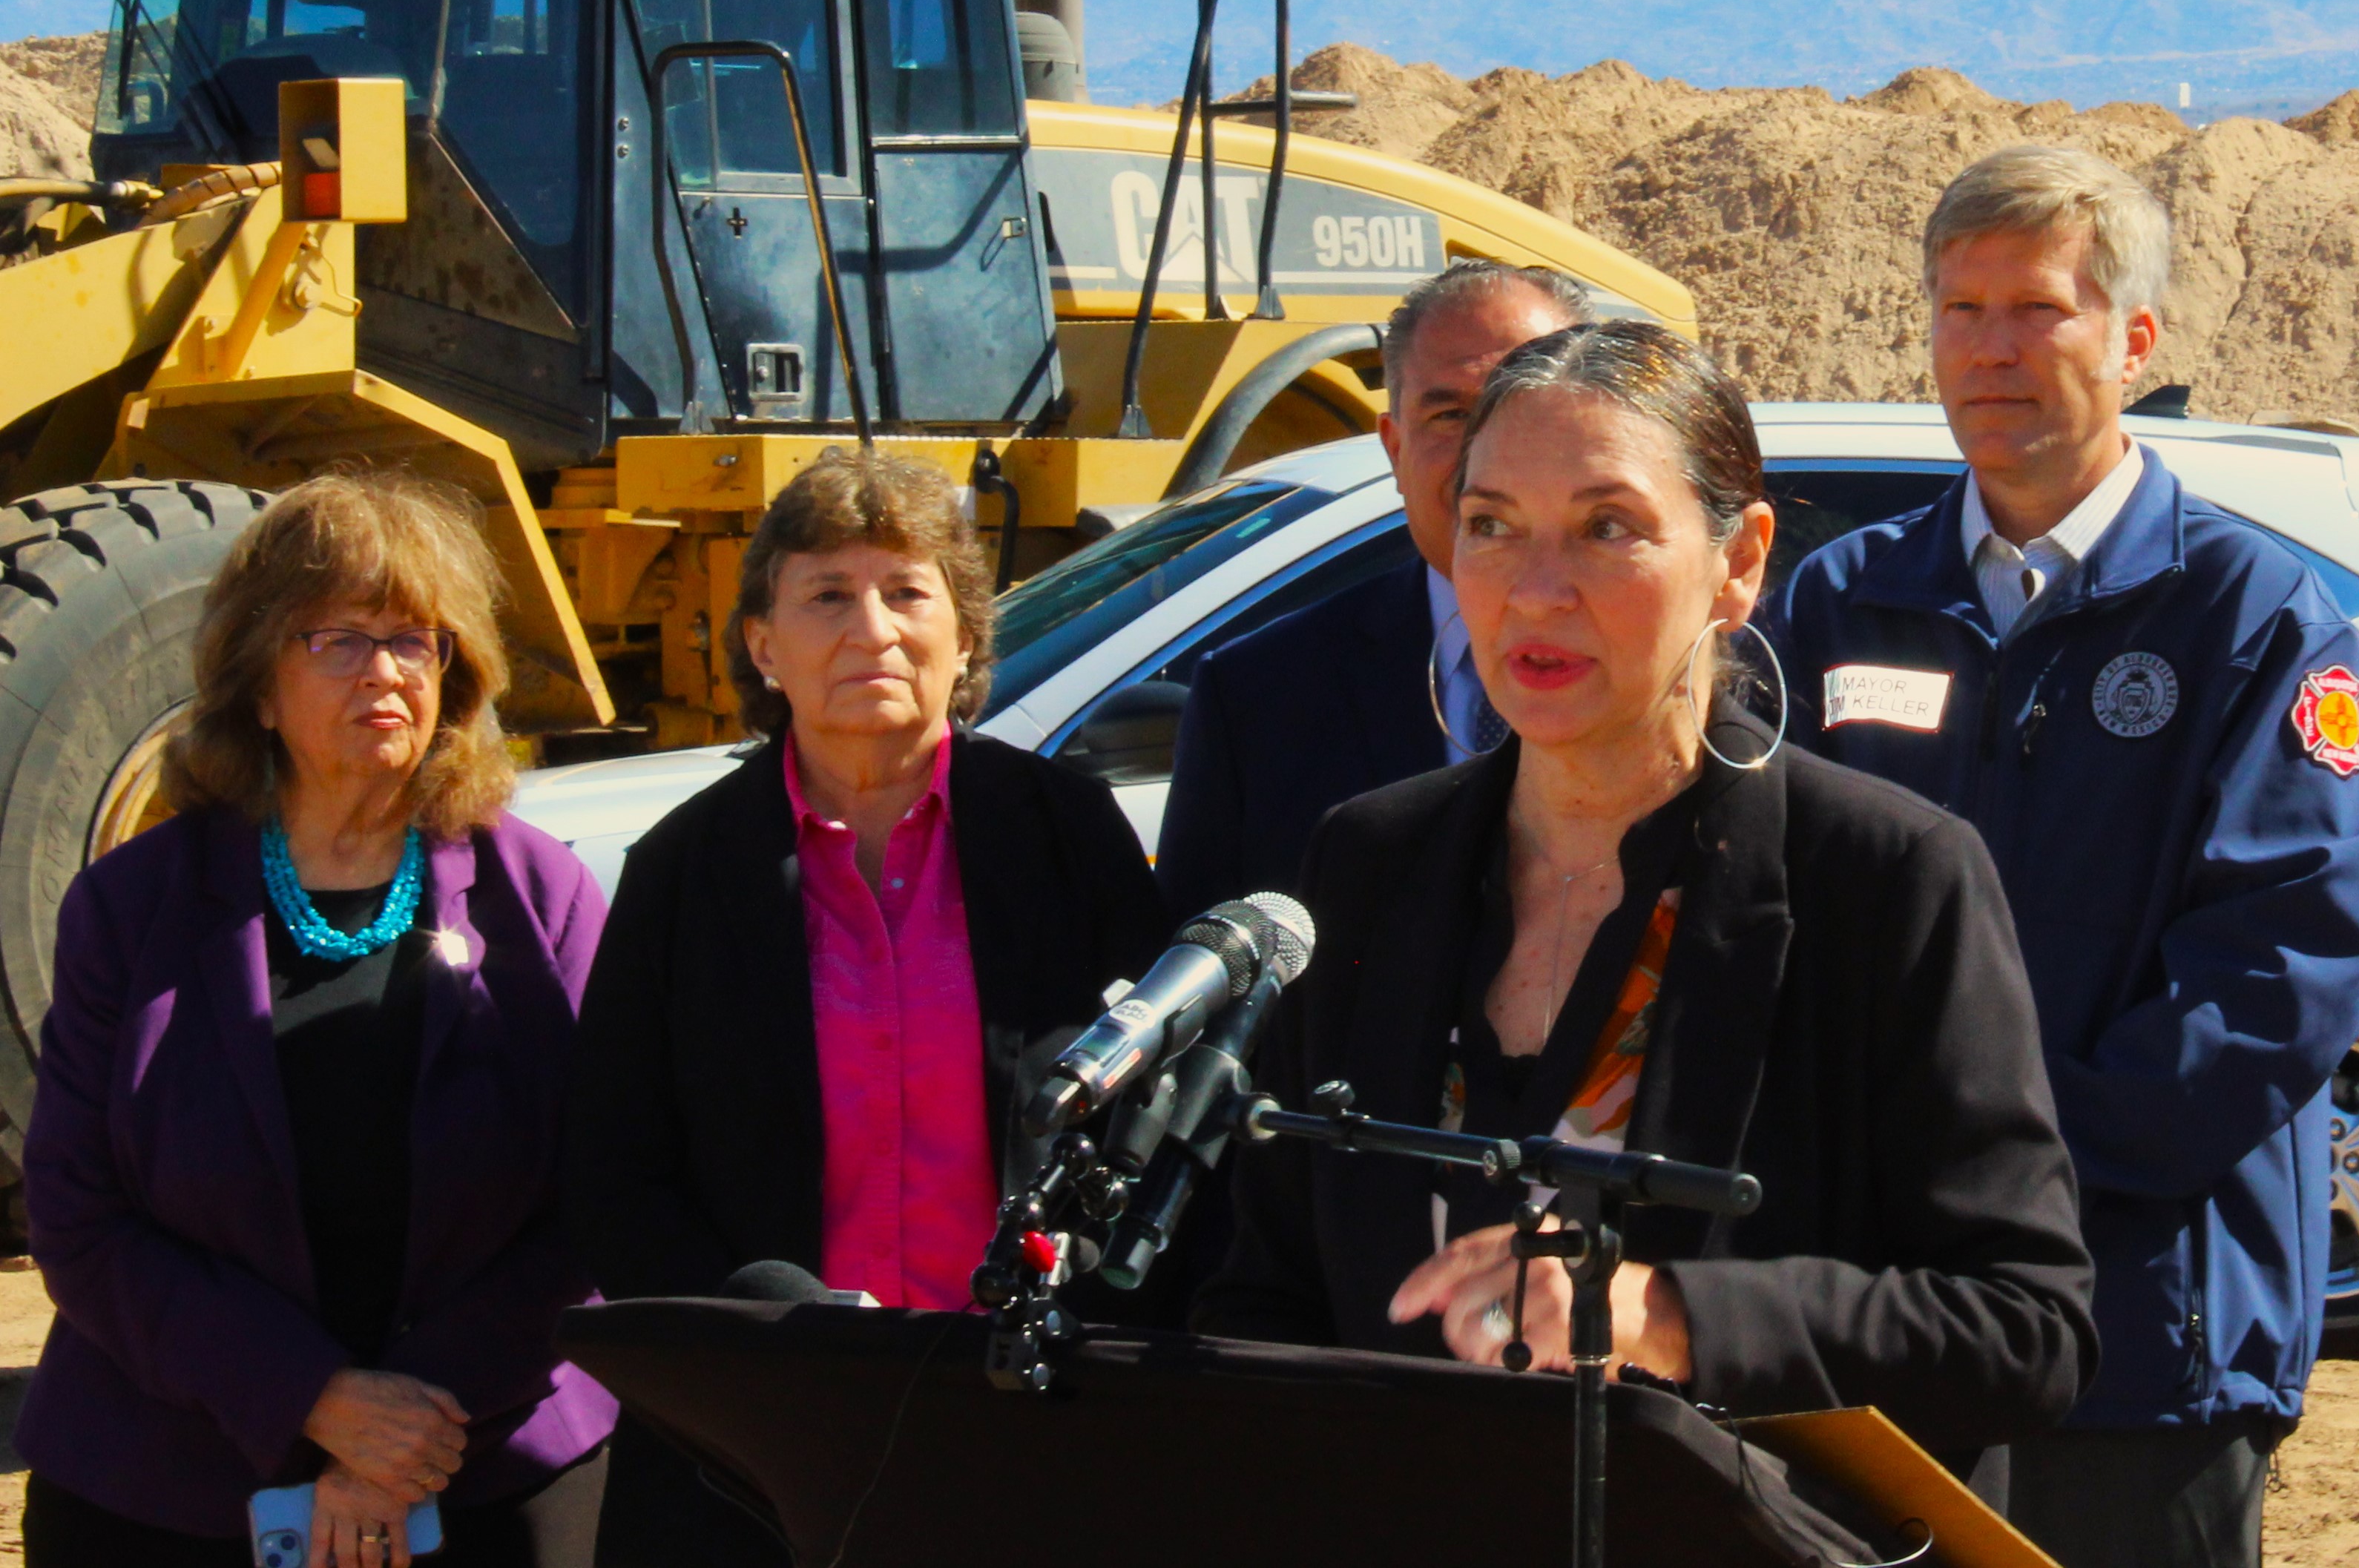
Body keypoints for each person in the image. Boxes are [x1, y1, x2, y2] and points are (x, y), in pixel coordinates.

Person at [1192, 320, 2096, 1474]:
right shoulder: (1369, 862)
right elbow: (1268, 1289)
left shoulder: (1885, 876)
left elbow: (2024, 1327)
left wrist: (1668, 1313)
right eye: (1491, 527)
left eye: (1606, 528)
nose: (1535, 589)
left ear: (1740, 561)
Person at [1774, 145, 2359, 1568]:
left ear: (2132, 340)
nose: (1990, 351)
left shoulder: (2253, 625)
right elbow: (1772, 914)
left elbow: (2272, 985)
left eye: (2036, 310)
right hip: (1894, 1335)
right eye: (1959, 309)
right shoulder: (1843, 604)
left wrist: (1989, 1168)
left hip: (2140, 1342)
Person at [566, 449, 1173, 1565]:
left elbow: (1167, 1120)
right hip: (759, 1442)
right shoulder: (683, 872)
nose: (874, 629)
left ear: (964, 634)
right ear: (762, 642)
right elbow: (611, 1169)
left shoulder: (1071, 838)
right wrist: (772, 1321)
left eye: (908, 590)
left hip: (1036, 1422)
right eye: (828, 595)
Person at [19, 472, 613, 1568]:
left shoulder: (545, 897)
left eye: (413, 639)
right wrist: (315, 1400)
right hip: (166, 1479)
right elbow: (76, 1213)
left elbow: (601, 1201)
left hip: (486, 1472)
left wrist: (406, 1434)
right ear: (255, 685)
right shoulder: (133, 904)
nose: (383, 671)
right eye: (335, 639)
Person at [1157, 260, 1596, 913]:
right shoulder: (1257, 700)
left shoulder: (1694, 669)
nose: (1487, 456)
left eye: (1524, 406)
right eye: (1450, 415)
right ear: (1394, 449)